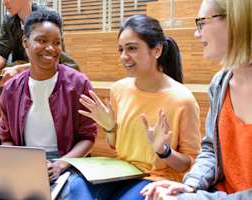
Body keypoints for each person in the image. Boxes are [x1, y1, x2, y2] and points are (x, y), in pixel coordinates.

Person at [69, 14, 201, 199]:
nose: (124, 56)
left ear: (157, 50)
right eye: (121, 49)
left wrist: (164, 152)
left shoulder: (182, 99)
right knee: (76, 186)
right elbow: (114, 145)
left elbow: (188, 164)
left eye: (132, 48)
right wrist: (110, 127)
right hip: (121, 172)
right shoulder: (119, 89)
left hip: (155, 179)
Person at [141, 0, 252, 199]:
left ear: (236, 20)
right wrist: (190, 185)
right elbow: (211, 150)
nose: (195, 33)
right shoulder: (219, 84)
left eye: (202, 23)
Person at [0, 8, 97, 198]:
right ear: (25, 43)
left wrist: (62, 163)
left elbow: (88, 137)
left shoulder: (78, 83)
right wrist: (21, 161)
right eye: (42, 41)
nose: (51, 48)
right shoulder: (11, 89)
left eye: (56, 42)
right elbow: (6, 138)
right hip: (25, 162)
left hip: (68, 163)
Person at [0, 0, 79, 143]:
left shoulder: (47, 17)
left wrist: (21, 69)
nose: (4, 2)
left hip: (51, 63)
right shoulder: (9, 20)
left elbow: (54, 55)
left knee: (17, 72)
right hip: (20, 64)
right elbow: (1, 55)